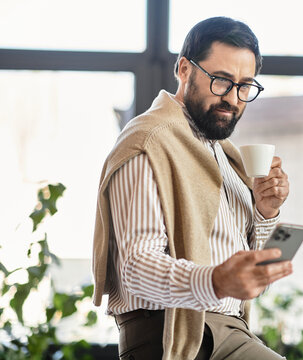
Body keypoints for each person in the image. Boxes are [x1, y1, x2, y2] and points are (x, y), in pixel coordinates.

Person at [92, 16, 292, 360]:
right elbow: (135, 268)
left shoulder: (224, 156)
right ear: (184, 69)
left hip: (229, 329)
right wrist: (214, 281)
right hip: (173, 332)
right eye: (221, 81)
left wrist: (264, 211)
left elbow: (246, 278)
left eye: (245, 86)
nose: (232, 98)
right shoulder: (150, 141)